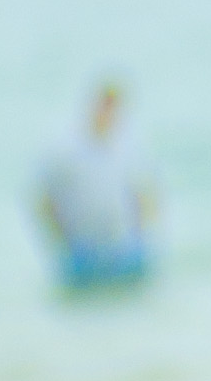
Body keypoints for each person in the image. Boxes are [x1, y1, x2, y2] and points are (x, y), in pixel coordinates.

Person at [32, 79, 154, 290]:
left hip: (120, 249)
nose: (107, 114)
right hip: (83, 253)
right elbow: (44, 201)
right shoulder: (66, 150)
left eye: (113, 108)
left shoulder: (127, 150)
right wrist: (64, 245)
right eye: (104, 106)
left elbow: (143, 196)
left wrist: (139, 239)